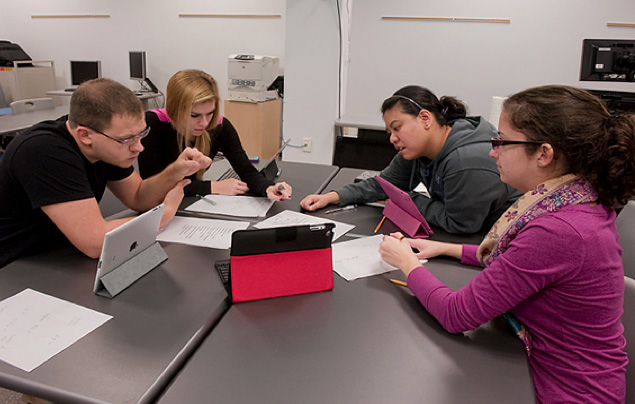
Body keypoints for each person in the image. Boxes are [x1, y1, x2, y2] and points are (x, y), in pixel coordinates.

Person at [379, 85, 635, 403]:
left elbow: (457, 314)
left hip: (571, 392)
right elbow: (524, 262)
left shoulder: (561, 231)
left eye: (502, 141)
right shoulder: (576, 199)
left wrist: (407, 262)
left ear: (543, 153)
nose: (492, 151)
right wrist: (446, 248)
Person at [0, 78, 211, 269]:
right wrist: (165, 213)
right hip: (16, 267)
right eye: (127, 139)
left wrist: (175, 171)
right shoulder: (43, 151)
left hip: (60, 257)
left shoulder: (105, 142)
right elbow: (94, 241)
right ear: (85, 135)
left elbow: (137, 197)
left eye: (141, 135)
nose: (139, 148)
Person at [300, 85, 519, 234]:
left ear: (425, 118)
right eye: (389, 132)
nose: (393, 138)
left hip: (492, 240)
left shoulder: (467, 161)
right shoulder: (417, 150)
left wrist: (407, 201)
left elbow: (461, 225)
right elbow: (384, 184)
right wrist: (332, 196)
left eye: (397, 128)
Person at [138, 69, 291, 202]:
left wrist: (269, 188)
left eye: (210, 113)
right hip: (158, 208)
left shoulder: (219, 126)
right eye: (194, 115)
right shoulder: (152, 124)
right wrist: (213, 186)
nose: (204, 123)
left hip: (188, 203)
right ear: (175, 110)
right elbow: (151, 187)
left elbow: (247, 172)